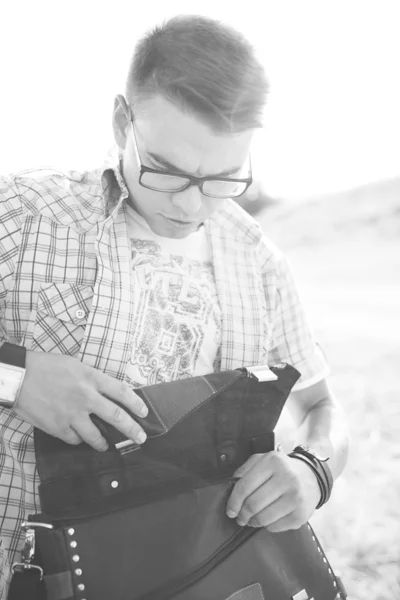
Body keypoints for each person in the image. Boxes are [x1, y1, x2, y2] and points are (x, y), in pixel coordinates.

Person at [0, 14, 349, 598]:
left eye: (223, 179)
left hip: (200, 574)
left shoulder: (261, 263)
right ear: (122, 121)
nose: (193, 206)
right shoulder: (23, 213)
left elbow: (321, 407)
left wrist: (313, 468)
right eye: (167, 171)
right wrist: (15, 377)